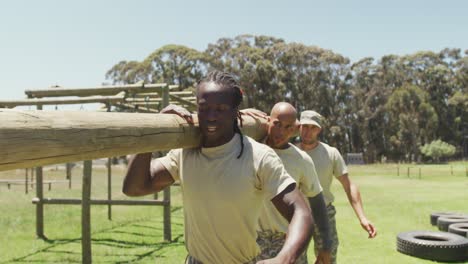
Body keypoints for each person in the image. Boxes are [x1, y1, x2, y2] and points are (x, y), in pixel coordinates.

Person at [122, 71, 313, 264]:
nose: (211, 117)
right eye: (204, 108)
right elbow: (134, 187)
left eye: (221, 109)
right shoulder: (184, 153)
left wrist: (284, 259)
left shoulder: (258, 157)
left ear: (235, 111)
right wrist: (154, 129)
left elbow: (301, 212)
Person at [244, 103, 332, 264]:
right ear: (268, 121)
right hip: (252, 243)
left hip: (289, 243)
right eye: (277, 124)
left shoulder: (301, 160)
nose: (281, 132)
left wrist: (325, 245)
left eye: (288, 127)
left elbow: (318, 204)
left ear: (295, 129)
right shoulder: (249, 151)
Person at [298, 110, 377, 264]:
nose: (308, 131)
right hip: (297, 214)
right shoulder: (290, 152)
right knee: (295, 260)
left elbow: (349, 186)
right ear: (299, 127)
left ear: (319, 129)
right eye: (304, 126)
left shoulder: (330, 153)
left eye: (313, 127)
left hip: (324, 214)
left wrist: (362, 217)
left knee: (328, 259)